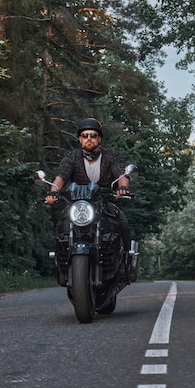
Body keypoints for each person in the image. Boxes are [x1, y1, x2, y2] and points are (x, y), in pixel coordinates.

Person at [45, 117, 136, 282]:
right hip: (79, 204)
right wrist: (53, 192)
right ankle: (60, 262)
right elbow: (61, 176)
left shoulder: (110, 155)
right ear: (80, 139)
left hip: (107, 201)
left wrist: (123, 187)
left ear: (99, 139)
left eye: (93, 135)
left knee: (122, 223)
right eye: (85, 135)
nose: (89, 138)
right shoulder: (73, 157)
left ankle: (127, 263)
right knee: (61, 225)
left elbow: (121, 173)